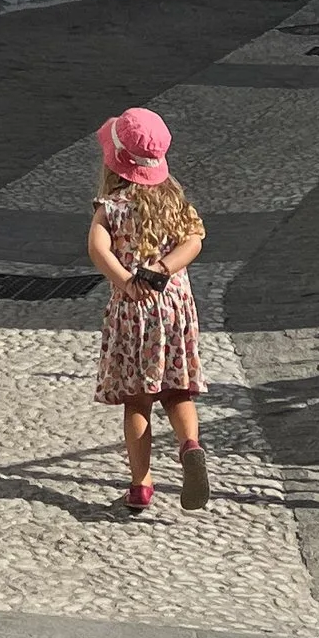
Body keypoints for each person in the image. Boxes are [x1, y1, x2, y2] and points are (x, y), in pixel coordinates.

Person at [86, 107, 210, 513]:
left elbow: (97, 248)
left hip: (133, 311)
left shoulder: (112, 205)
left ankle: (140, 484)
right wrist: (163, 269)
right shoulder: (173, 199)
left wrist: (125, 281)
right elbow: (194, 240)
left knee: (137, 401)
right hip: (174, 311)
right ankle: (190, 445)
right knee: (177, 391)